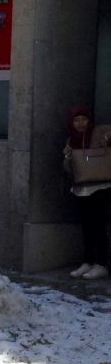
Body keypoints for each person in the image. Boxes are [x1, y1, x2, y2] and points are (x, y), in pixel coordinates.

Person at [63, 105, 111, 279]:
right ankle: (88, 262)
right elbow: (69, 170)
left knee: (98, 225)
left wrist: (107, 140)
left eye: (84, 119)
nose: (80, 124)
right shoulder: (71, 140)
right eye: (76, 120)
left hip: (101, 186)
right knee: (87, 226)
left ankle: (101, 263)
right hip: (81, 188)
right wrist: (68, 157)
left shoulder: (97, 132)